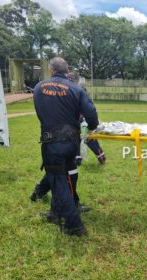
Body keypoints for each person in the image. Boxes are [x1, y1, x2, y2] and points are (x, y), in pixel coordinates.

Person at [33, 57, 99, 236]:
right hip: (71, 144)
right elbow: (91, 115)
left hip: (51, 143)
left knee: (58, 182)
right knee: (62, 178)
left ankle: (74, 225)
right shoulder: (76, 89)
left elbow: (41, 112)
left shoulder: (39, 87)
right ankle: (55, 213)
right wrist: (91, 126)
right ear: (67, 70)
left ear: (52, 70)